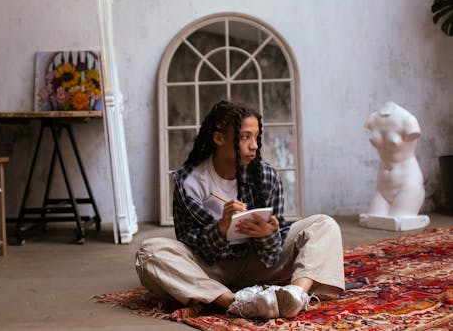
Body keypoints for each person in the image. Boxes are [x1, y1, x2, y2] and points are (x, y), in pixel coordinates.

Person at [135, 100, 345, 319]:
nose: (254, 145)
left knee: (324, 224)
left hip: (259, 263)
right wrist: (221, 229)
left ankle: (295, 295)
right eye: (245, 137)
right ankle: (238, 302)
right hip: (212, 270)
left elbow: (272, 254)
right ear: (219, 138)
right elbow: (194, 247)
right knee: (149, 253)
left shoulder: (266, 176)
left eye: (256, 137)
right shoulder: (189, 182)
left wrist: (268, 235)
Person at [364, 101, 425, 216]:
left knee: (399, 219)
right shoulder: (373, 118)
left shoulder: (407, 119)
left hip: (407, 183)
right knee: (374, 219)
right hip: (382, 186)